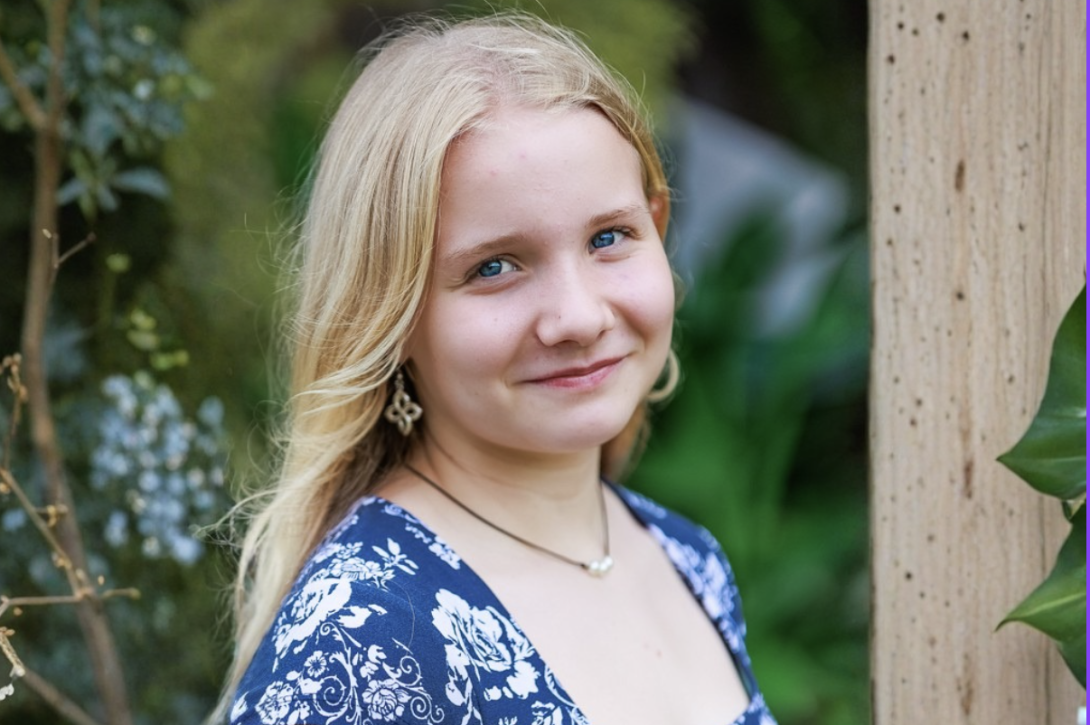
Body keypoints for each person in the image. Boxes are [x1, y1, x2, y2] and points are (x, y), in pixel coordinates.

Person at [220, 13, 777, 725]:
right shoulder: (366, 638)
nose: (578, 317)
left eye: (610, 237)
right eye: (495, 267)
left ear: (659, 229)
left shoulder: (687, 558)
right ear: (389, 314)